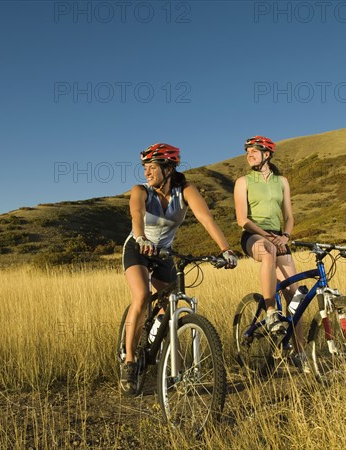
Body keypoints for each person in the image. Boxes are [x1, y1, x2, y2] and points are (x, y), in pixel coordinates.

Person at [120, 143, 238, 395]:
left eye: (152, 167)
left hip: (165, 253)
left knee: (170, 308)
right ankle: (129, 361)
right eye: (145, 167)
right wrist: (141, 239)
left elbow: (207, 219)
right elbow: (136, 214)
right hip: (137, 248)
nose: (147, 173)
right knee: (141, 296)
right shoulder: (140, 190)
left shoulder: (185, 191)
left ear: (169, 168)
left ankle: (174, 366)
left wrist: (226, 250)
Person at [233, 135, 309, 372]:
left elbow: (289, 216)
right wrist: (270, 238)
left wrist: (285, 236)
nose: (249, 155)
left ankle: (300, 352)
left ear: (267, 154)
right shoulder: (243, 182)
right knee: (267, 252)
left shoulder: (282, 182)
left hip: (279, 237)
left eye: (254, 151)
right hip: (254, 236)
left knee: (296, 297)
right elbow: (242, 220)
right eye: (248, 152)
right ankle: (270, 311)